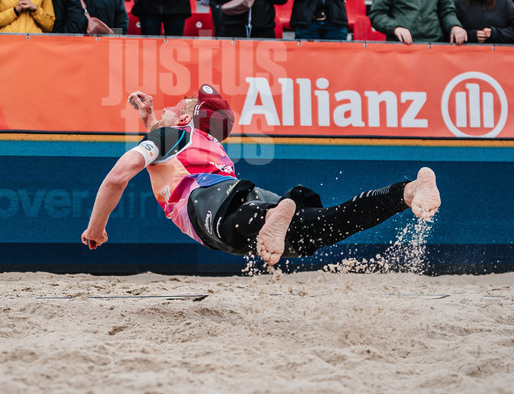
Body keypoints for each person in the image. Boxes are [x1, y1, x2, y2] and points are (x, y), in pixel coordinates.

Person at [81, 86, 441, 265]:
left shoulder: (168, 136)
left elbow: (118, 176)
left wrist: (96, 228)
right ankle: (406, 192)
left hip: (209, 202)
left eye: (176, 104)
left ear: (185, 118)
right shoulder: (207, 144)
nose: (168, 105)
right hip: (244, 194)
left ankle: (274, 215)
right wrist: (149, 121)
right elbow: (169, 151)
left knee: (232, 229)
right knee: (328, 224)